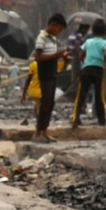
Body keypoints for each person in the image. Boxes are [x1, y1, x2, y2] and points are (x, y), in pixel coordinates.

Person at [32, 13, 68, 142]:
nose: (59, 32)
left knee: (50, 103)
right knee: (45, 102)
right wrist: (56, 55)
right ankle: (37, 133)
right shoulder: (41, 38)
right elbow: (38, 57)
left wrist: (62, 56)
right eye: (59, 29)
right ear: (53, 25)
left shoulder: (52, 39)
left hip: (52, 73)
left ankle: (44, 131)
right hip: (45, 74)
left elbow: (52, 55)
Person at [71, 18, 106, 128]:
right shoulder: (105, 42)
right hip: (98, 70)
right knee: (99, 95)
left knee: (81, 94)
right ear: (105, 32)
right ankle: (101, 119)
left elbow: (81, 55)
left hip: (86, 69)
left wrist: (84, 61)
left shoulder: (88, 42)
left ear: (92, 31)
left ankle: (76, 118)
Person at [20, 57, 42, 123]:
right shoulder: (51, 64)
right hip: (45, 92)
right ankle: (40, 125)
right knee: (41, 109)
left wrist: (23, 94)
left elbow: (28, 80)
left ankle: (39, 123)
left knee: (37, 106)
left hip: (34, 92)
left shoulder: (34, 64)